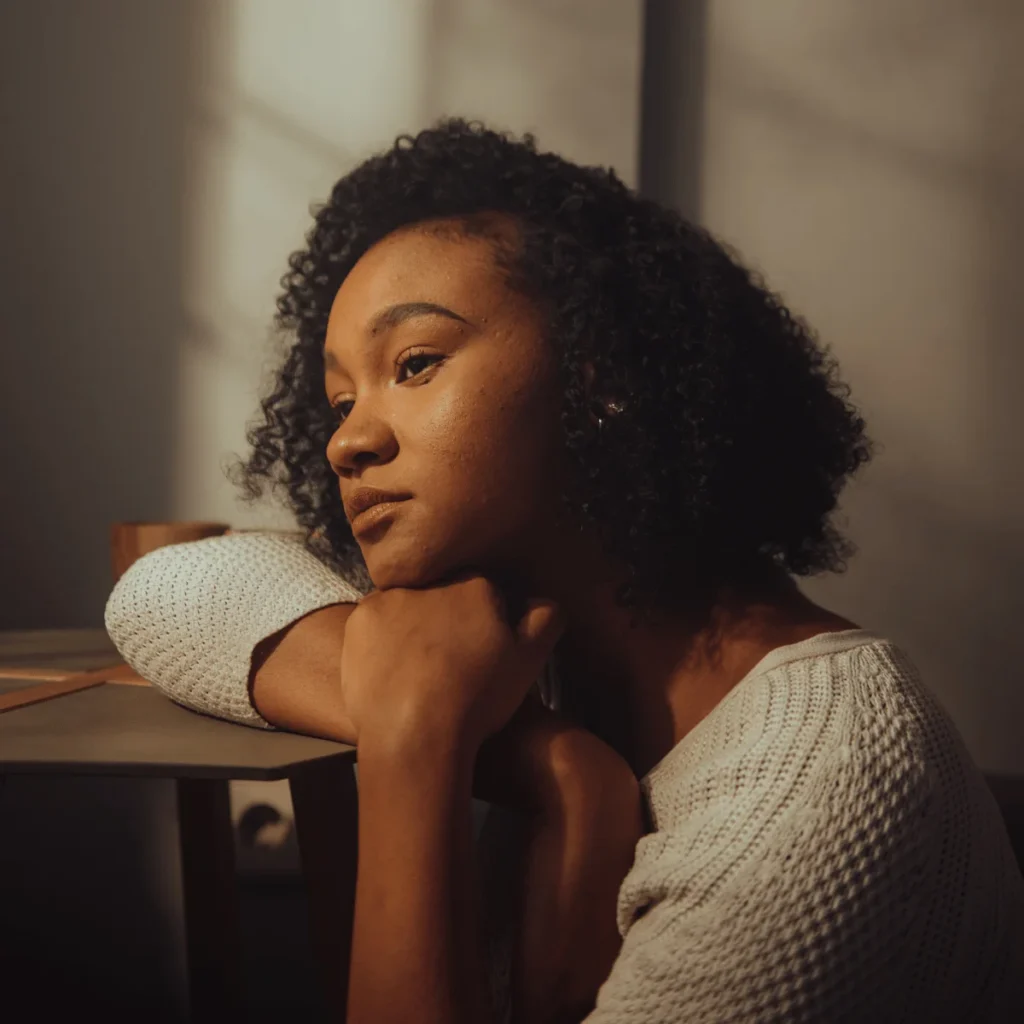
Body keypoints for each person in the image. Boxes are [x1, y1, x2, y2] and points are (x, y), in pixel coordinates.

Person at [105, 118, 1024, 1023]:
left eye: (415, 364)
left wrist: (415, 744)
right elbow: (165, 594)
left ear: (602, 376)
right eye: (342, 398)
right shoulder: (538, 669)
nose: (348, 439)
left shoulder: (822, 791)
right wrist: (562, 769)